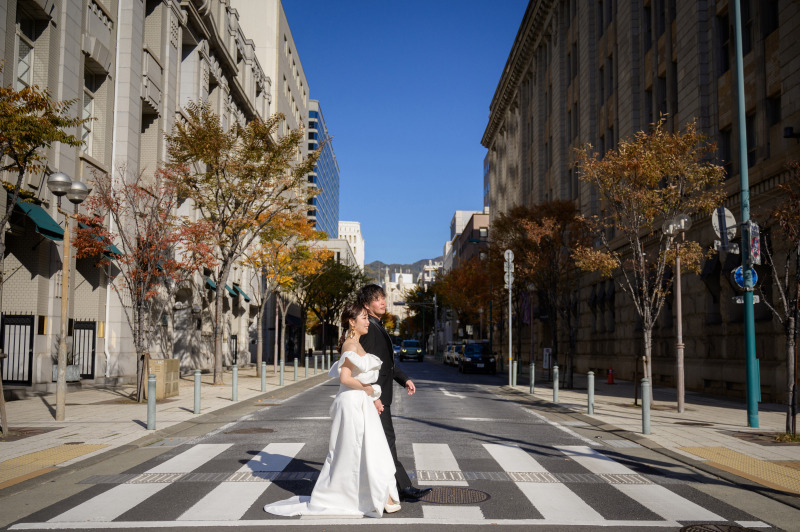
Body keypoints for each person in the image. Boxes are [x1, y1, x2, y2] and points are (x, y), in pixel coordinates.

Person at [264, 302, 401, 518]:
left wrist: (372, 397)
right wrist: (368, 388)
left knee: (368, 448)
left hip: (360, 402)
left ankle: (377, 494)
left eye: (367, 317)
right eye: (364, 318)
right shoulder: (350, 345)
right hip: (351, 404)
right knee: (354, 450)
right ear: (352, 322)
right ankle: (369, 496)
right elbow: (345, 378)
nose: (368, 321)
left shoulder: (358, 344)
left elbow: (355, 376)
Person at [357, 284, 433, 502]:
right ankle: (404, 487)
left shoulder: (376, 325)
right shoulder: (369, 329)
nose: (383, 302)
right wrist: (375, 397)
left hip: (379, 395)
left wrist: (404, 378)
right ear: (366, 305)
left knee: (379, 442)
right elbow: (368, 368)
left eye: (383, 297)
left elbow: (386, 364)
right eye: (377, 299)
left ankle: (388, 486)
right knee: (387, 441)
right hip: (376, 398)